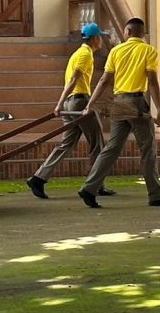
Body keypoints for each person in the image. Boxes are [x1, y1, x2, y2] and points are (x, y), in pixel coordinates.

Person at [76, 17, 160, 209]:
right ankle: (156, 195)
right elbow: (152, 81)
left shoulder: (116, 51)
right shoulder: (148, 50)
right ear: (142, 33)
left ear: (127, 32)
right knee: (147, 150)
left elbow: (104, 81)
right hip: (136, 102)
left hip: (118, 102)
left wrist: (90, 104)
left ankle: (89, 187)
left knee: (112, 148)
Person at [26, 22, 116, 199]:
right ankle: (96, 185)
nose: (101, 40)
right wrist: (59, 103)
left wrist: (63, 103)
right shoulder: (85, 54)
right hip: (79, 101)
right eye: (100, 37)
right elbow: (74, 79)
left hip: (71, 102)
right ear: (95, 39)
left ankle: (39, 178)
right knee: (97, 143)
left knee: (67, 144)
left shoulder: (78, 53)